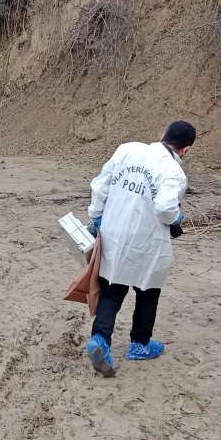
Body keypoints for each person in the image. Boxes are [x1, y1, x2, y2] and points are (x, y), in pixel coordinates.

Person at [83, 121, 195, 377]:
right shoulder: (173, 171)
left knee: (112, 289)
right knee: (148, 291)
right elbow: (166, 208)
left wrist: (96, 216)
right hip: (147, 241)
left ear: (162, 134)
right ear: (185, 150)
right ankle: (140, 344)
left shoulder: (127, 150)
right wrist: (176, 218)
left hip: (114, 232)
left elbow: (100, 186)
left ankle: (99, 340)